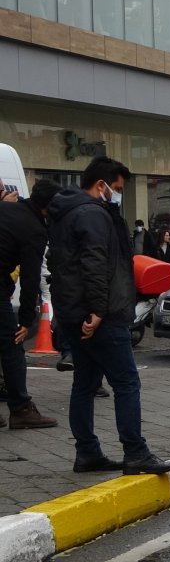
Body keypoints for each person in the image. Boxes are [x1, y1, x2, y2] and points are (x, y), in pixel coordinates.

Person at [47, 156, 170, 474]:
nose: (117, 194)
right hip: (99, 315)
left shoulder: (65, 213)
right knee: (126, 382)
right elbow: (95, 264)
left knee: (85, 384)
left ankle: (88, 452)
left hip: (73, 313)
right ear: (101, 185)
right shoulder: (93, 214)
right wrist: (98, 311)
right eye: (116, 188)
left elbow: (61, 264)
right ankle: (136, 453)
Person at [0, 179, 63, 429]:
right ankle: (21, 408)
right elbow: (30, 278)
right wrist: (26, 322)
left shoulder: (6, 209)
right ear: (50, 206)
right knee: (13, 346)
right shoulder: (35, 229)